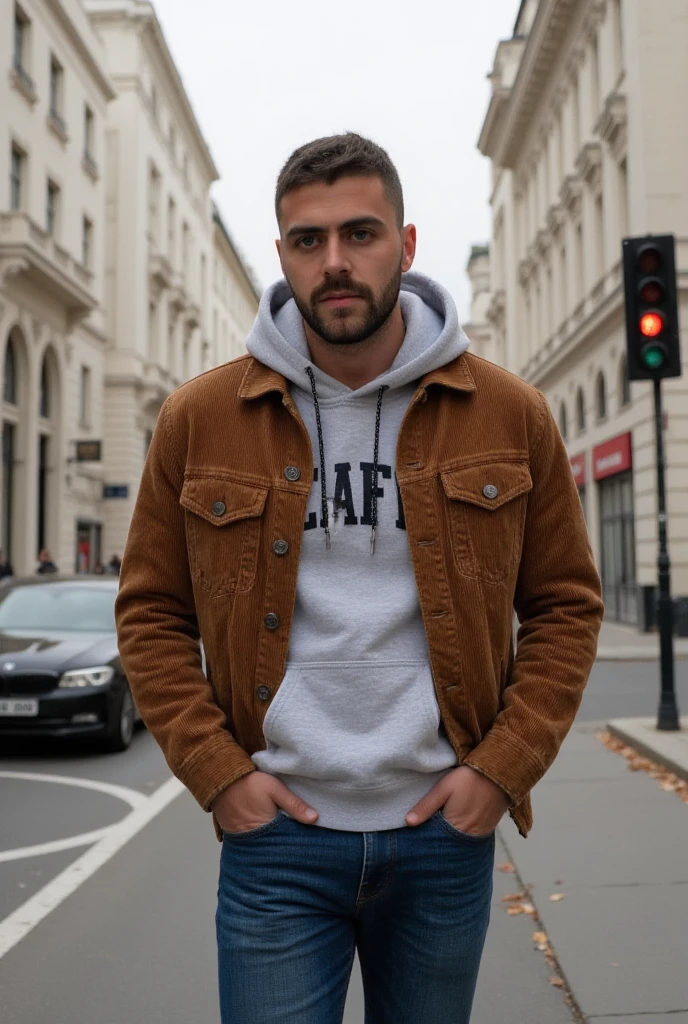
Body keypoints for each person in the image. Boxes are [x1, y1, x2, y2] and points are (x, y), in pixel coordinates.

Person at [116, 133, 604, 1024]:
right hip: (276, 844)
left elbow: (566, 606)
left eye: (360, 234)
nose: (334, 263)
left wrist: (500, 771)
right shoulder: (200, 417)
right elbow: (150, 610)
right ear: (283, 256)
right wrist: (219, 775)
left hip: (441, 838)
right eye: (308, 241)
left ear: (406, 245)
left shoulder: (508, 411)